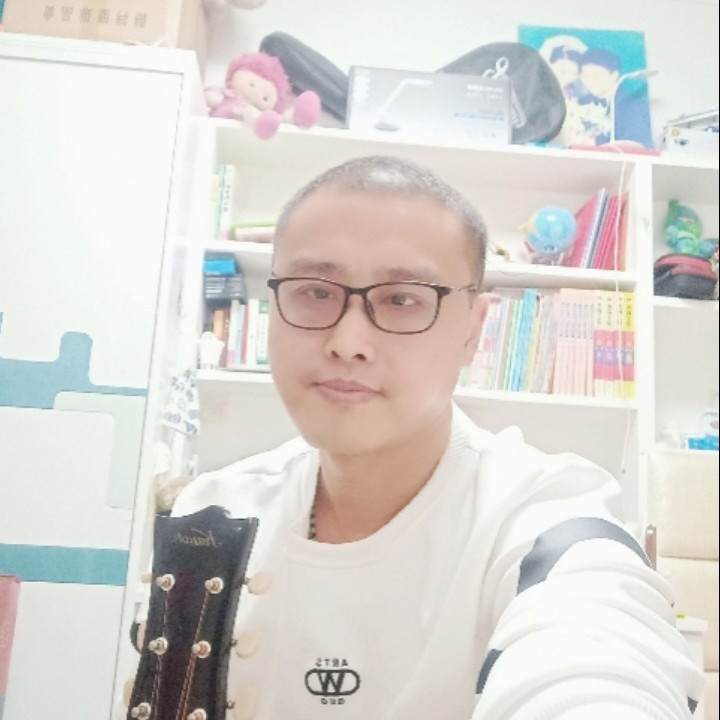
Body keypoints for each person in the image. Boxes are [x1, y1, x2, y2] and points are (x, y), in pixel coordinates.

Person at [147, 156, 701, 718]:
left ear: (473, 330)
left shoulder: (541, 513)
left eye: (402, 299)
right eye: (314, 291)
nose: (347, 341)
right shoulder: (212, 513)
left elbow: (598, 654)